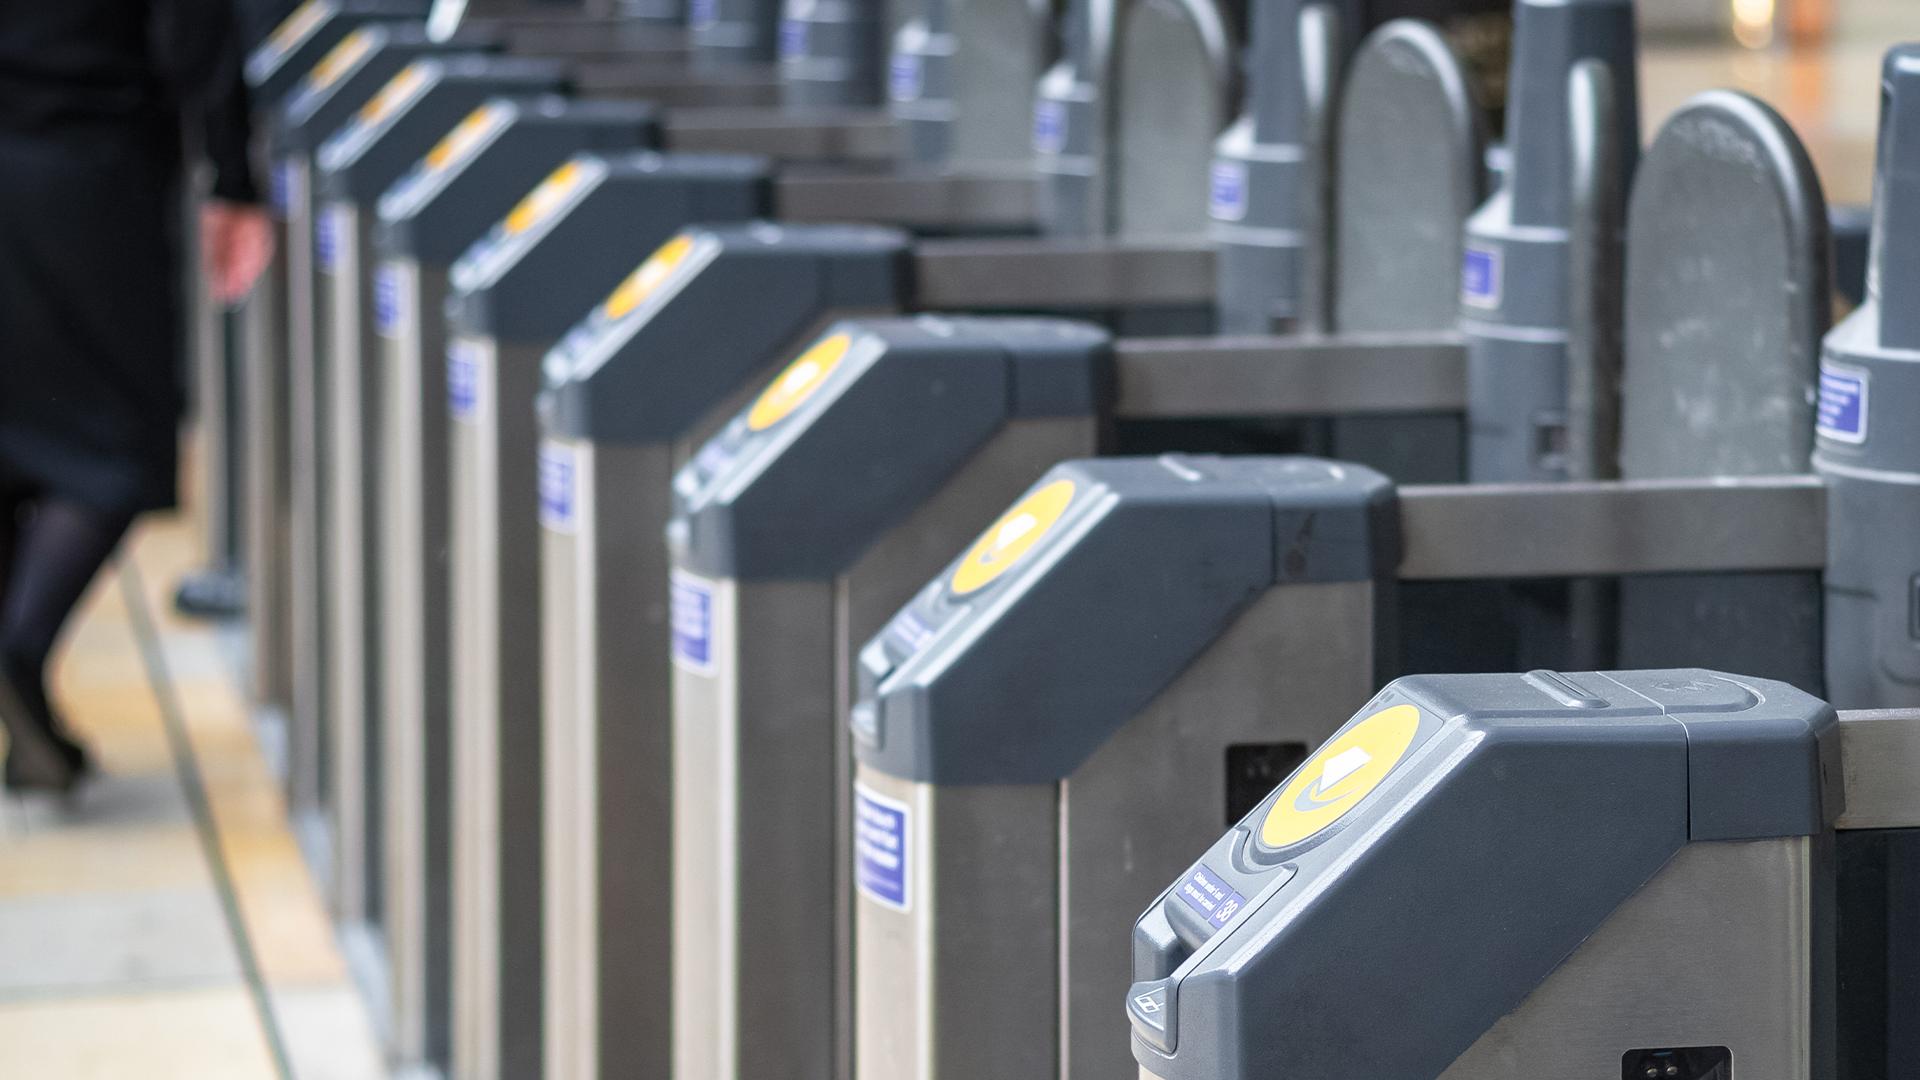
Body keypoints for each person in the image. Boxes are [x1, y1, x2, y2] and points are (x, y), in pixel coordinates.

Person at [0, 1, 274, 792]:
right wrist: (234, 176)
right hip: (90, 177)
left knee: (12, 430)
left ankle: (23, 706)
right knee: (114, 436)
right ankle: (21, 642)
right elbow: (196, 31)